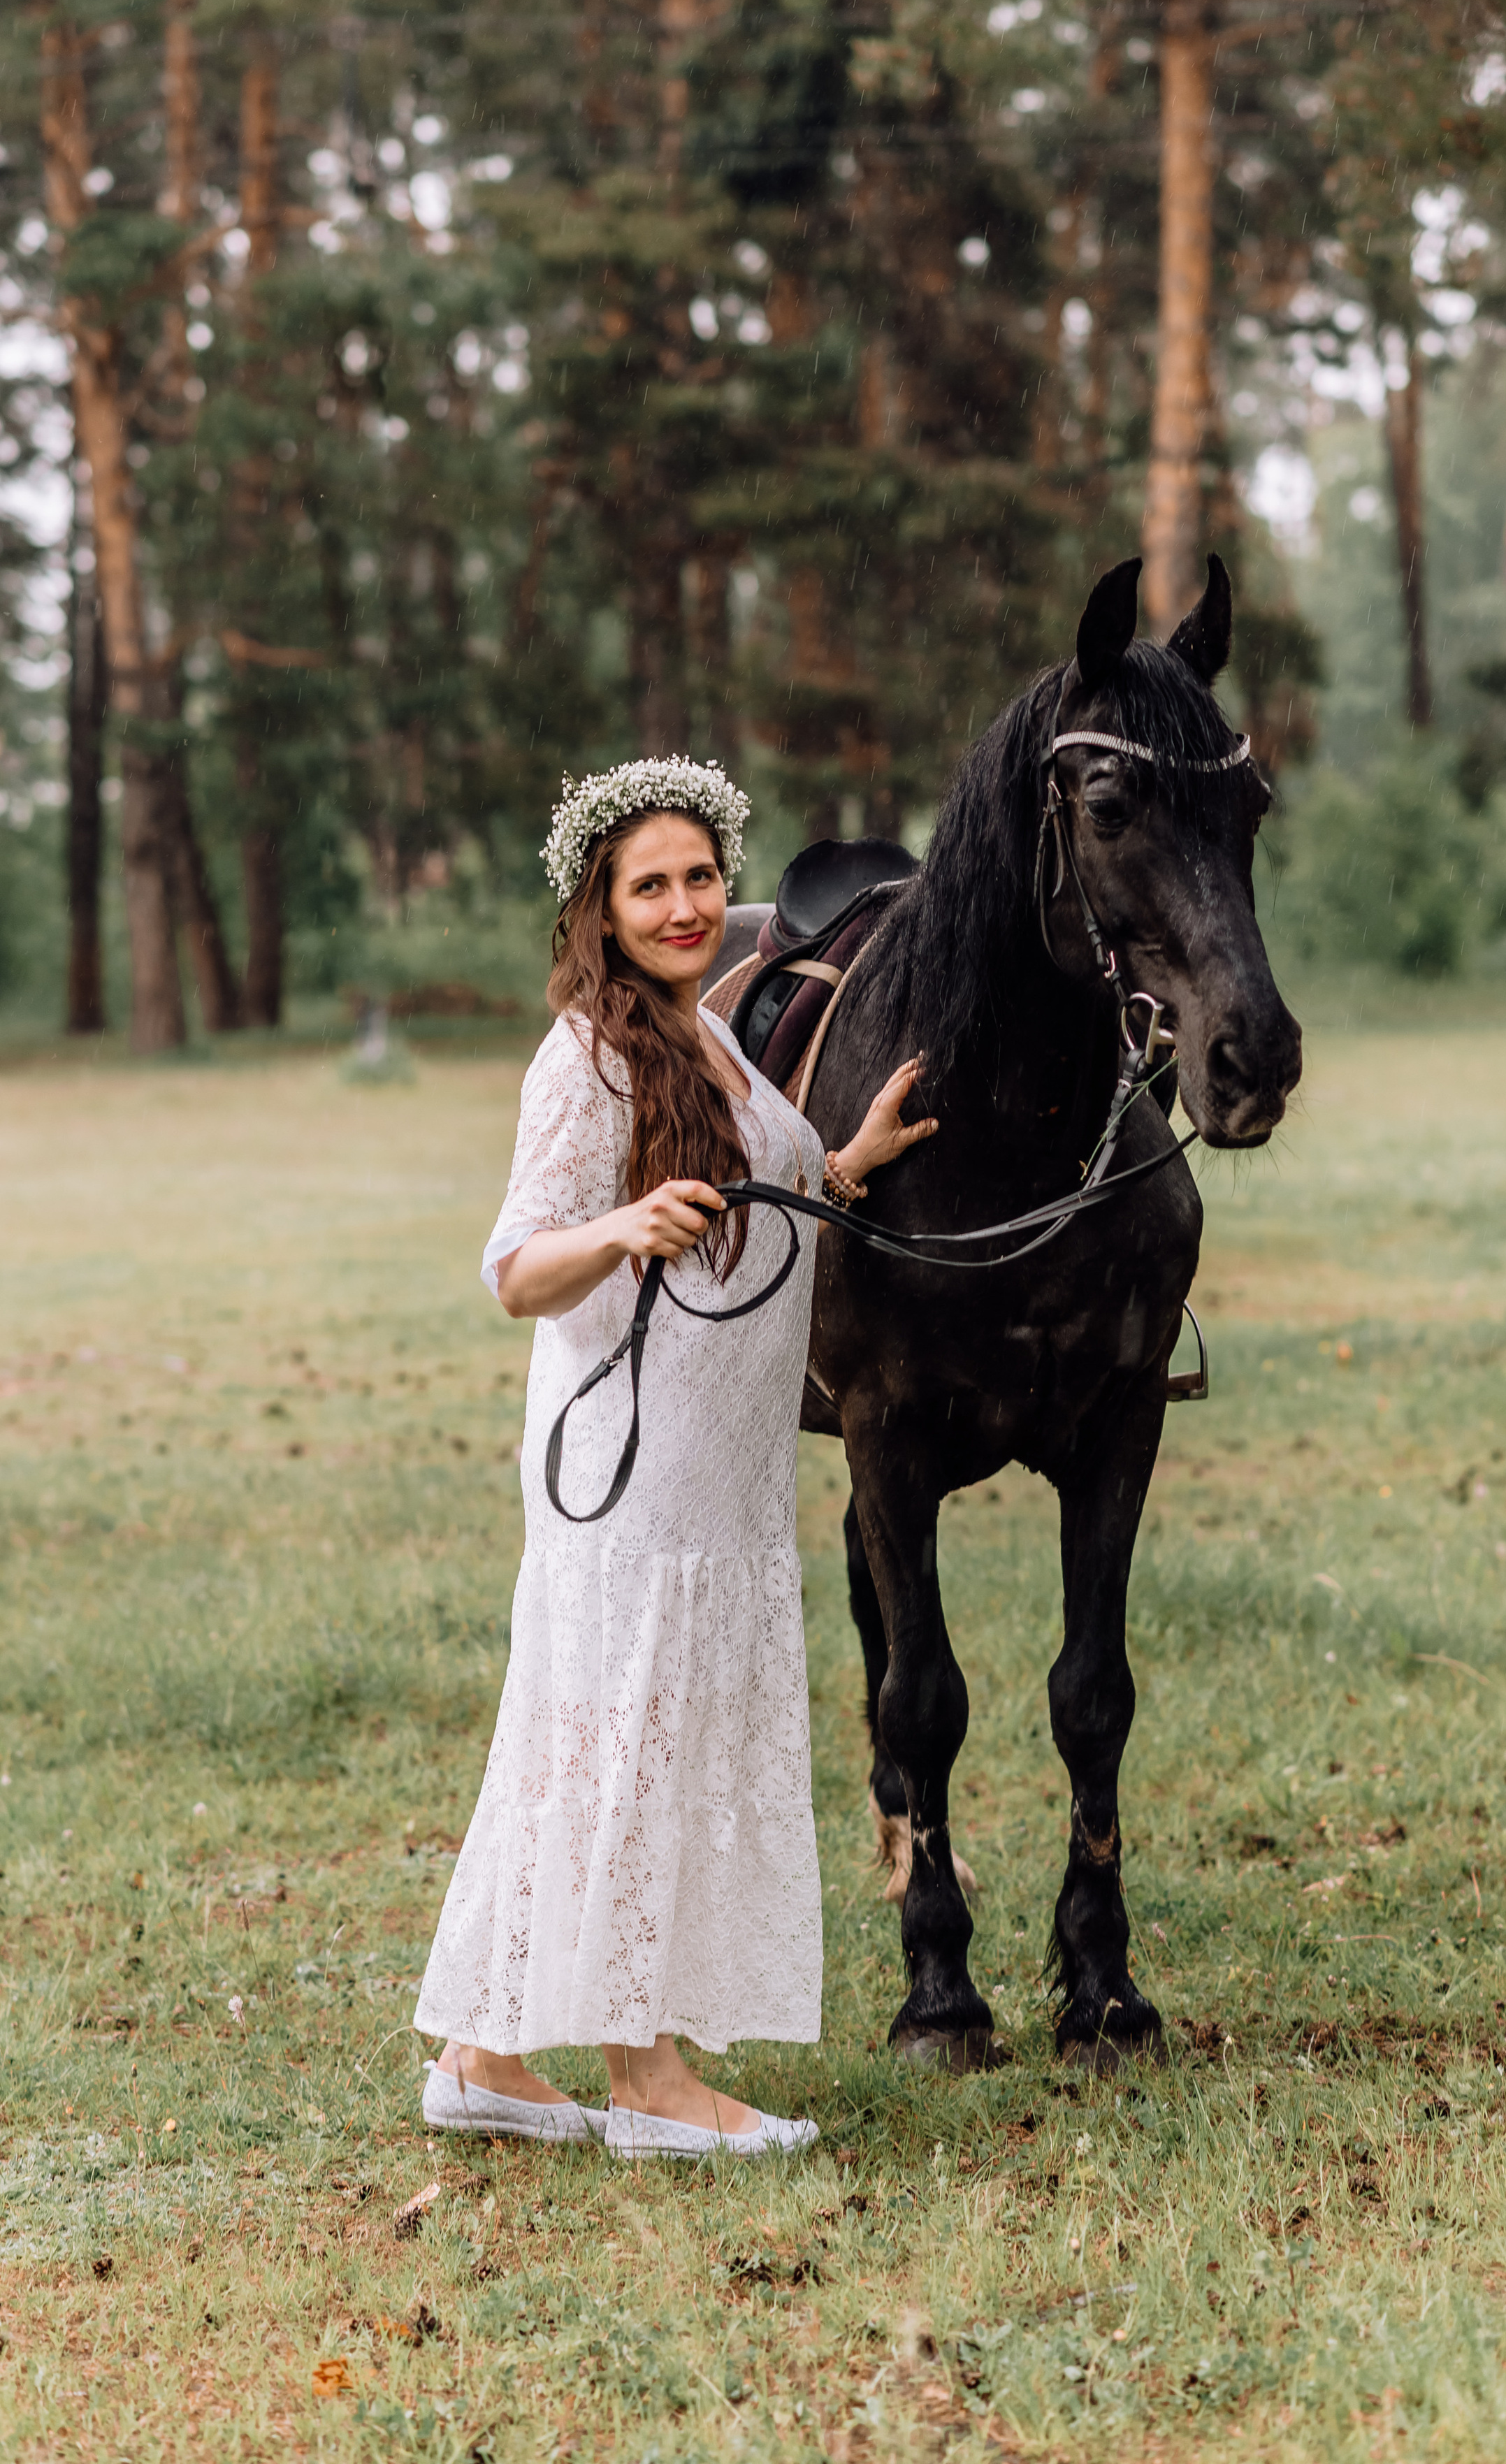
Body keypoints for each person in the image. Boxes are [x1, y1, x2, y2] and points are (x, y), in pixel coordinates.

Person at [412, 757, 934, 2157]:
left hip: (720, 1479)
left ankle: (483, 2058)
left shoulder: (703, 1034)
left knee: (593, 1749)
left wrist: (844, 1159)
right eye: (651, 885)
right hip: (636, 1480)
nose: (686, 904)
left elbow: (752, 1189)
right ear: (601, 905)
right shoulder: (589, 1054)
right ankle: (648, 2083)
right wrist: (619, 1229)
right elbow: (516, 1268)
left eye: (701, 876)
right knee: (626, 1748)